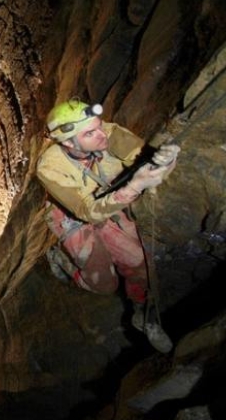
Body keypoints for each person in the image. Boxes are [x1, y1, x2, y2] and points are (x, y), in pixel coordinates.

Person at [36, 99, 180, 353]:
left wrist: (165, 162)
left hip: (110, 202)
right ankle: (63, 261)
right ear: (68, 143)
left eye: (99, 125)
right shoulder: (49, 167)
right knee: (104, 285)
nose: (102, 134)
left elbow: (147, 163)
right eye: (90, 133)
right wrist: (134, 186)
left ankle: (142, 315)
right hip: (71, 215)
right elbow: (86, 211)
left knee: (139, 262)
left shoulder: (110, 134)